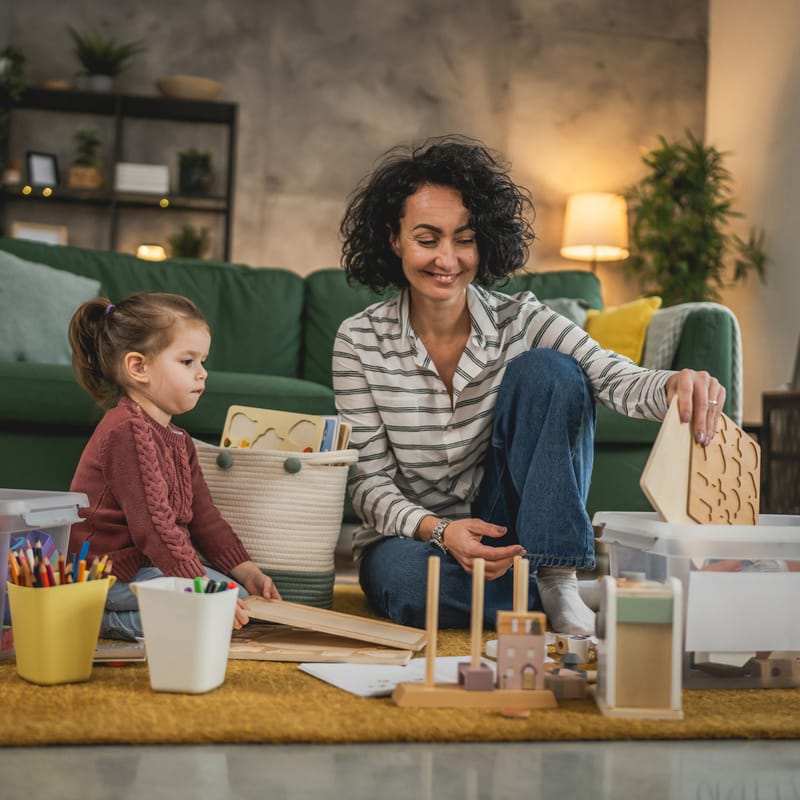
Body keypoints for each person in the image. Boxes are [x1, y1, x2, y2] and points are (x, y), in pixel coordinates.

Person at [333, 135, 725, 635]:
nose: (447, 259)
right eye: (427, 239)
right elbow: (368, 486)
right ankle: (566, 596)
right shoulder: (358, 341)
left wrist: (674, 383)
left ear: (485, 241)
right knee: (410, 588)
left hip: (511, 530)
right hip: (417, 537)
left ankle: (557, 578)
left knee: (553, 370)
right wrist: (443, 531)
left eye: (465, 238)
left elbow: (610, 373)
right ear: (394, 239)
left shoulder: (522, 318)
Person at [68, 291, 280, 640]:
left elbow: (204, 517)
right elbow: (154, 527)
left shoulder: (178, 438)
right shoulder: (125, 431)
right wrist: (199, 590)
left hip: (146, 569)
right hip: (103, 575)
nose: (202, 374)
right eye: (187, 362)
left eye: (203, 361)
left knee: (240, 597)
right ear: (138, 367)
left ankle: (180, 608)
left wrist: (247, 571)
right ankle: (93, 620)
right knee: (215, 610)